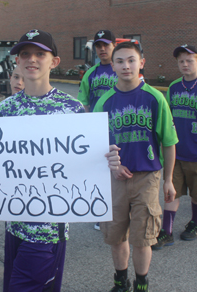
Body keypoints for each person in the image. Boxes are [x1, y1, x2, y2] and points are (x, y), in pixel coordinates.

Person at [0, 29, 121, 292]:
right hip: (14, 224)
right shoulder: (4, 110)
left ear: (54, 61)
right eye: (25, 54)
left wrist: (107, 160)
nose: (31, 60)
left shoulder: (71, 109)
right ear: (16, 61)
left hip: (47, 232)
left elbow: (87, 161)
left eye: (39, 54)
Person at [93, 42, 178, 292]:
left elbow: (168, 142)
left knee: (143, 238)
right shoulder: (104, 101)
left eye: (131, 60)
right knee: (116, 236)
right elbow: (93, 144)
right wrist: (110, 164)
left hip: (147, 177)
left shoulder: (155, 98)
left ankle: (142, 287)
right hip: (115, 179)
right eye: (120, 61)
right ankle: (121, 284)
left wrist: (168, 180)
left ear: (142, 63)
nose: (126, 66)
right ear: (113, 65)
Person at [153, 45, 197, 249]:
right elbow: (167, 120)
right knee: (172, 191)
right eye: (181, 61)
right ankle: (167, 230)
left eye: (189, 60)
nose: (185, 64)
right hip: (177, 152)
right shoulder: (173, 87)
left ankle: (196, 223)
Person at [78, 29, 118, 231]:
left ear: (114, 46)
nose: (102, 49)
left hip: (120, 128)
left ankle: (118, 212)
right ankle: (101, 212)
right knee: (100, 171)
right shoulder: (91, 74)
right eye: (98, 46)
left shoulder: (121, 68)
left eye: (106, 45)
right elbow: (84, 102)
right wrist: (86, 129)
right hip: (98, 131)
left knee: (119, 171)